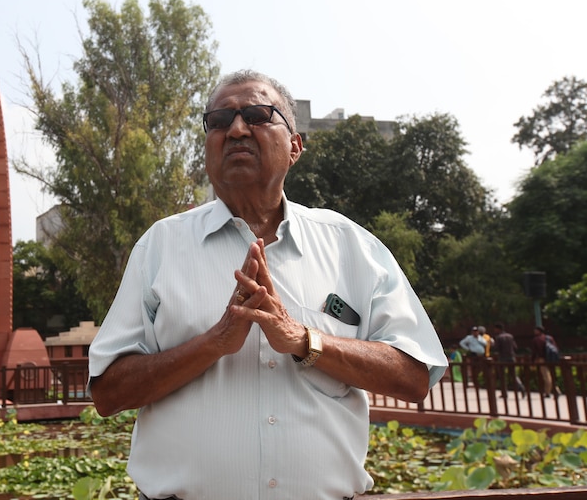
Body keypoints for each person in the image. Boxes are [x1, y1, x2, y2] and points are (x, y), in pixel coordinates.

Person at [88, 70, 448, 500]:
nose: (236, 129)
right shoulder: (161, 246)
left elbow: (414, 375)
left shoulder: (350, 245)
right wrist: (214, 343)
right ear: (208, 146)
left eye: (258, 115)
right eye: (219, 121)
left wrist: (304, 340)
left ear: (295, 146)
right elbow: (108, 392)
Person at [492, 323, 525, 398]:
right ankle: (521, 387)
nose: (494, 330)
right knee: (513, 374)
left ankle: (504, 393)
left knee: (502, 376)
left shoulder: (499, 337)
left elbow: (496, 348)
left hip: (503, 358)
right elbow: (515, 347)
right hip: (512, 357)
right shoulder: (510, 336)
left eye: (495, 329)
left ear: (498, 329)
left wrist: (492, 345)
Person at [531, 326, 561, 397]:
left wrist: (533, 361)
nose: (534, 332)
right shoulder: (550, 338)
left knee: (546, 376)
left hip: (542, 359)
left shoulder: (536, 339)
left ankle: (547, 392)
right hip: (552, 359)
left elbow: (535, 352)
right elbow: (555, 347)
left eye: (535, 330)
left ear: (539, 331)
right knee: (552, 375)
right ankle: (556, 390)